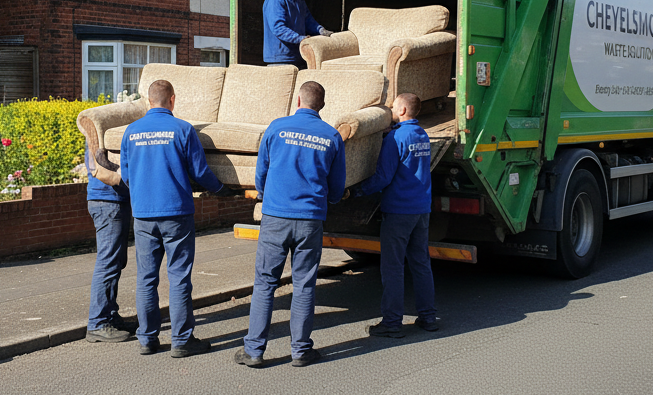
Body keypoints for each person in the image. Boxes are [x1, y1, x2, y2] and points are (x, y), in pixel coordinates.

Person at [119, 79, 235, 357]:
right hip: (176, 213)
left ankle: (147, 339)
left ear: (148, 102)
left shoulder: (131, 132)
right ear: (172, 100)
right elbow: (200, 171)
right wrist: (222, 190)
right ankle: (182, 340)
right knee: (179, 277)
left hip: (144, 215)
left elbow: (125, 174)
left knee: (146, 278)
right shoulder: (182, 129)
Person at [236, 81, 346, 368]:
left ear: (298, 100)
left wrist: (265, 194)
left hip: (275, 217)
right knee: (304, 285)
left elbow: (261, 172)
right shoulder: (332, 136)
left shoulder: (276, 127)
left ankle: (254, 351)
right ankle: (300, 350)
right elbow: (336, 188)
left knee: (264, 284)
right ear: (321, 105)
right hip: (310, 220)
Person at [355, 92, 437, 337]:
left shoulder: (395, 138)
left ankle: (392, 322)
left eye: (393, 106)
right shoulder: (422, 134)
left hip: (399, 210)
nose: (390, 109)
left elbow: (383, 177)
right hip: (421, 209)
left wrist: (357, 190)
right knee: (421, 264)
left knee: (392, 267)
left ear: (402, 110)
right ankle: (428, 317)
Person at [83, 147, 133, 343]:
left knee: (116, 261)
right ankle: (98, 323)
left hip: (109, 200)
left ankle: (110, 316)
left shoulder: (99, 134)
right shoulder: (101, 136)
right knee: (108, 263)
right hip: (108, 201)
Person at [263, 0, 333, 67]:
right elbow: (278, 28)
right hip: (280, 60)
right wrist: (300, 39)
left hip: (298, 57)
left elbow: (307, 19)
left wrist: (320, 30)